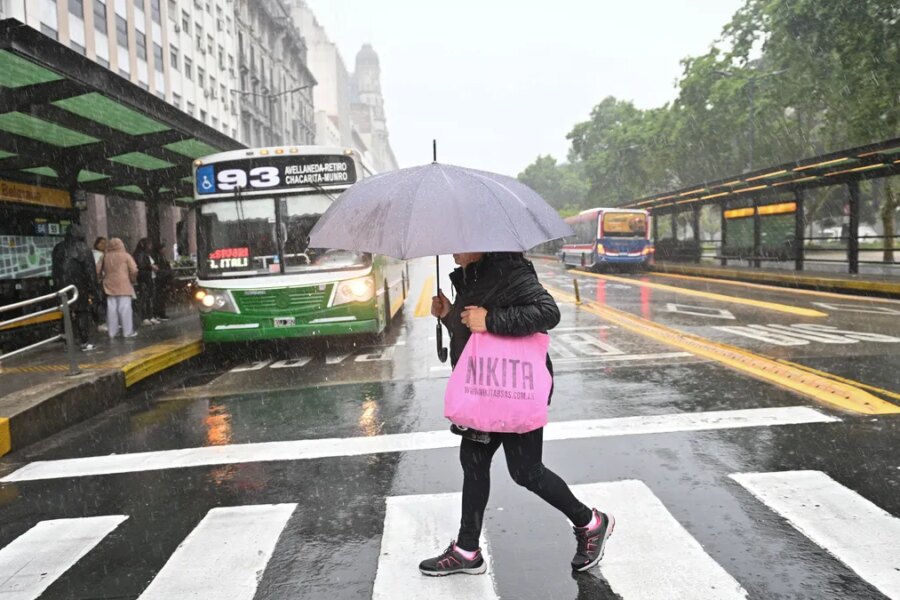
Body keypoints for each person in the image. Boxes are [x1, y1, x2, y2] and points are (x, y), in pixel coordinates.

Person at [419, 252, 613, 576]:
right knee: (474, 463)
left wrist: (490, 318)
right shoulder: (469, 274)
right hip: (481, 389)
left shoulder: (509, 267)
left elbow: (547, 312)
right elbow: (472, 333)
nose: (455, 249)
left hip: (511, 390)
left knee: (526, 471)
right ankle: (467, 550)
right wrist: (449, 314)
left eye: (463, 242)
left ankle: (590, 523)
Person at [50, 225, 100, 351]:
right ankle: (85, 341)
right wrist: (93, 289)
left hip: (61, 287)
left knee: (66, 312)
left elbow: (55, 269)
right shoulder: (83, 249)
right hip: (79, 287)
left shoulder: (58, 248)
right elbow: (90, 271)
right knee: (82, 312)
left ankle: (68, 340)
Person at [98, 238, 138, 339]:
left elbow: (97, 269)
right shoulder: (126, 256)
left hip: (109, 286)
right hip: (124, 285)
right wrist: (132, 279)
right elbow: (134, 270)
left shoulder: (105, 256)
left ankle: (112, 332)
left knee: (111, 310)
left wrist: (101, 278)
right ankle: (127, 332)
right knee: (125, 309)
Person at [132, 238, 158, 326]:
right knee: (145, 297)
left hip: (148, 277)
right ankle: (145, 317)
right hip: (144, 278)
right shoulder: (139, 254)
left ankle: (150, 316)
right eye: (149, 244)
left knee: (149, 297)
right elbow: (140, 265)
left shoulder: (145, 253)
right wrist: (150, 266)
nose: (150, 246)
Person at [151, 241, 172, 321]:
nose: (165, 249)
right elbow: (159, 269)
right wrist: (165, 273)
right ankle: (159, 314)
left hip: (163, 279)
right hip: (160, 279)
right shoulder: (157, 257)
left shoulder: (161, 257)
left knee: (161, 298)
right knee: (159, 298)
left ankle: (160, 313)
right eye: (163, 248)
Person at [92, 237, 108, 332]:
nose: (104, 245)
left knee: (102, 301)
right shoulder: (97, 255)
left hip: (103, 281)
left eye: (105, 243)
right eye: (101, 243)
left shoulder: (103, 254)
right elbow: (97, 270)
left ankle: (102, 322)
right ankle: (101, 322)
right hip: (99, 282)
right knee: (100, 301)